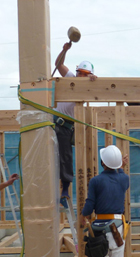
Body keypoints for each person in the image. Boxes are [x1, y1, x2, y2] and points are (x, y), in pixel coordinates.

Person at [81, 145, 130, 257]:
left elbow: (89, 206)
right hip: (117, 230)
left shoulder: (96, 181)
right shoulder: (124, 179)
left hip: (99, 231)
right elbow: (121, 176)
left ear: (102, 162)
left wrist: (83, 216)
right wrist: (120, 167)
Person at [54, 42, 97, 203]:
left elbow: (99, 89)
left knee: (65, 156)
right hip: (53, 121)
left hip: (66, 126)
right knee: (47, 155)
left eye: (85, 74)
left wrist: (94, 82)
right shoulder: (70, 78)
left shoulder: (88, 88)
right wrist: (64, 50)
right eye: (80, 73)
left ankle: (65, 191)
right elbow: (58, 64)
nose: (81, 76)